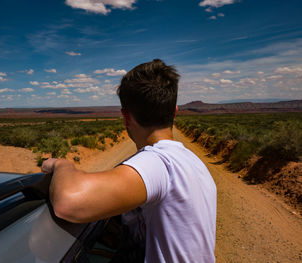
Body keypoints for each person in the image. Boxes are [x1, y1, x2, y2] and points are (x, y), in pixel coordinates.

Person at [42, 59, 217, 263]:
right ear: (174, 112)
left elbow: (67, 203)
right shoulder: (194, 162)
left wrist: (62, 164)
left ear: (126, 117)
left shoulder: (157, 162)